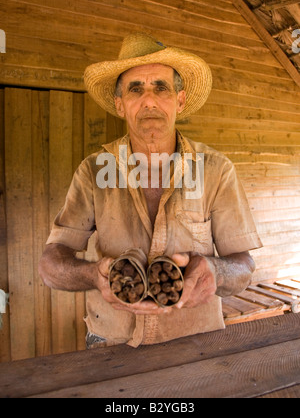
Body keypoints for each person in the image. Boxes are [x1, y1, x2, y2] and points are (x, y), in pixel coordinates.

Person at [39, 32, 262, 348]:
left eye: (161, 88)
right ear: (120, 104)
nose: (149, 101)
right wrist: (93, 276)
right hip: (112, 343)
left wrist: (215, 271)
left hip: (196, 341)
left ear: (179, 100)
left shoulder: (216, 170)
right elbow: (49, 266)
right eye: (135, 90)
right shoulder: (94, 170)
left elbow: (244, 267)